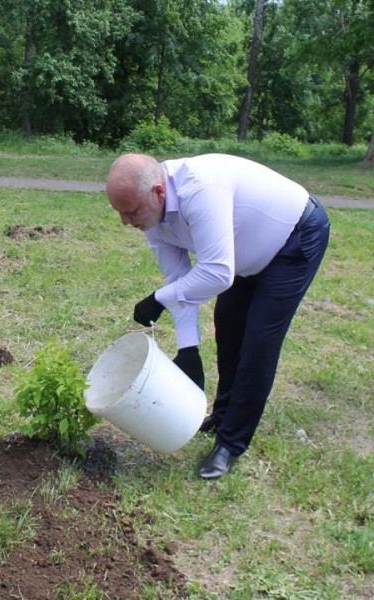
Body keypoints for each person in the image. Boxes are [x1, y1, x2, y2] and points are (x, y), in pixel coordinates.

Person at [106, 153, 330, 479]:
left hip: (295, 238)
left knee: (258, 342)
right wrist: (188, 348)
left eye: (131, 211)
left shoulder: (200, 190)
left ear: (158, 192)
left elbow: (217, 274)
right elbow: (179, 282)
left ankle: (231, 443)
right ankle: (223, 415)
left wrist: (158, 300)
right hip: (243, 253)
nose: (126, 222)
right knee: (227, 326)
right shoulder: (152, 217)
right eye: (120, 213)